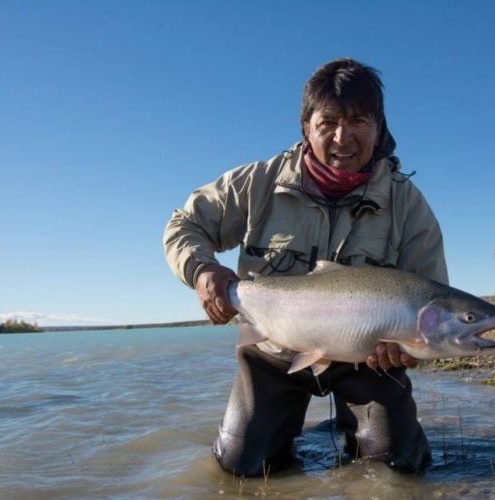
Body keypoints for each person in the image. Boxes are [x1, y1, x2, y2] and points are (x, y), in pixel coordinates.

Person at [163, 58, 448, 477]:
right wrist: (201, 272)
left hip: (366, 361)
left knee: (398, 467)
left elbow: (433, 296)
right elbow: (184, 225)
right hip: (273, 353)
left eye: (358, 121)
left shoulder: (408, 204)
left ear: (379, 127)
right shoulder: (257, 183)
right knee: (241, 469)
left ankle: (356, 426)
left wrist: (405, 351)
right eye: (327, 122)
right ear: (305, 128)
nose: (342, 136)